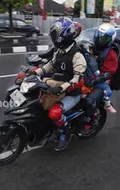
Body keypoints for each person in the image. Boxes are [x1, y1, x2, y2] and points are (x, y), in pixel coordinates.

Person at [30, 17, 87, 151]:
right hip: (58, 86)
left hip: (71, 93)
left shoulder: (77, 55)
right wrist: (35, 73)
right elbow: (50, 65)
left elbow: (77, 79)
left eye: (55, 35)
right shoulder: (60, 50)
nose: (53, 38)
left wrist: (61, 87)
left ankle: (65, 132)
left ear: (62, 35)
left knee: (55, 113)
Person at [79, 23, 119, 136]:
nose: (99, 39)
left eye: (103, 38)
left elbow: (110, 72)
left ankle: (91, 120)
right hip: (87, 75)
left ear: (110, 39)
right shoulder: (94, 47)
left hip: (101, 82)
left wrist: (97, 79)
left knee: (88, 100)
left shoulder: (110, 53)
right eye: (98, 36)